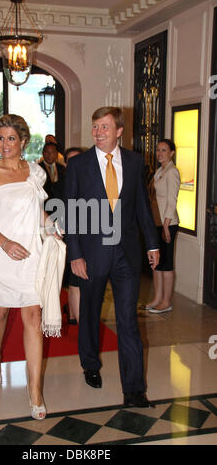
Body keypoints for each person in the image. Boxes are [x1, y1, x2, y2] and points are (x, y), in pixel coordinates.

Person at [64, 106, 160, 408]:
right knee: (90, 314)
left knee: (128, 321)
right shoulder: (78, 165)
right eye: (95, 127)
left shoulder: (133, 162)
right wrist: (75, 255)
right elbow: (71, 212)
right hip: (91, 254)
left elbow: (142, 206)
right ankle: (90, 364)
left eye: (104, 127)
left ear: (119, 131)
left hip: (126, 255)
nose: (98, 133)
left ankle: (134, 389)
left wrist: (152, 245)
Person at [0, 114, 55, 421]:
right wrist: (5, 243)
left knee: (33, 315)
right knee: (0, 312)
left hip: (30, 250)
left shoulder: (36, 172)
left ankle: (34, 390)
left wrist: (53, 227)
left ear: (23, 141)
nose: (5, 145)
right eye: (1, 138)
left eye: (11, 139)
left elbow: (39, 211)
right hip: (0, 250)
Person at [141, 139, 180, 314]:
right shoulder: (159, 171)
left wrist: (165, 225)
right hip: (156, 223)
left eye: (164, 150)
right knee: (155, 264)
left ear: (171, 153)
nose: (160, 153)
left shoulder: (172, 172)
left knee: (166, 264)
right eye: (158, 150)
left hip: (167, 223)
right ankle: (157, 298)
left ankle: (166, 301)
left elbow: (172, 201)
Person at [62, 147, 84, 325]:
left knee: (79, 280)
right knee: (75, 280)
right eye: (71, 160)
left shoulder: (91, 181)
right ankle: (78, 318)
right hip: (67, 238)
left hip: (89, 238)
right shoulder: (60, 184)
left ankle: (72, 313)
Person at [39, 142, 66, 208]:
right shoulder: (38, 169)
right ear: (43, 153)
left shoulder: (62, 168)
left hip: (60, 205)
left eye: (52, 152)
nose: (49, 155)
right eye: (47, 152)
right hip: (44, 206)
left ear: (57, 154)